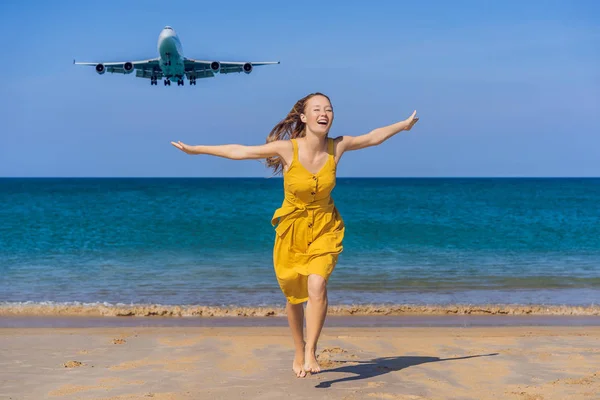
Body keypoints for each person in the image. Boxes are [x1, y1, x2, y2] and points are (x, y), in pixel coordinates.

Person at [171, 92, 419, 378]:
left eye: (328, 109)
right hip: (292, 231)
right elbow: (240, 151)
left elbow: (373, 137)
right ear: (304, 117)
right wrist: (197, 149)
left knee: (317, 286)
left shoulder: (337, 147)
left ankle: (311, 350)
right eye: (317, 109)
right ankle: (298, 349)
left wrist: (403, 124)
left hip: (326, 228)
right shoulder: (287, 149)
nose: (324, 113)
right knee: (294, 298)